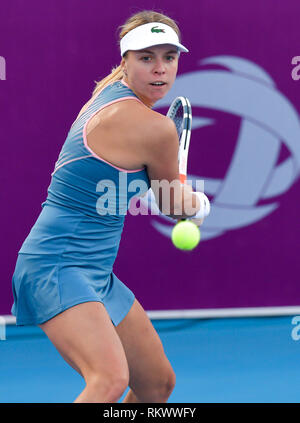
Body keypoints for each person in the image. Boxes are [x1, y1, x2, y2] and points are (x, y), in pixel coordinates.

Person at [11, 10, 207, 403]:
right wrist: (199, 205)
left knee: (155, 384)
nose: (160, 69)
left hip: (95, 269)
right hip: (57, 264)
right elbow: (173, 205)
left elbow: (139, 181)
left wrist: (157, 189)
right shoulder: (153, 127)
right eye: (145, 57)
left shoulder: (109, 90)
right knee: (108, 380)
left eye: (169, 57)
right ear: (125, 62)